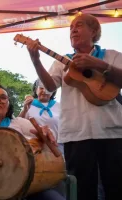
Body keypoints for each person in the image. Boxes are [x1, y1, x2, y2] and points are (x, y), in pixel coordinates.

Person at [26, 13, 122, 200]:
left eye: (78, 26)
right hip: (76, 135)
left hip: (112, 133)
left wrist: (98, 64)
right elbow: (50, 86)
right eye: (70, 28)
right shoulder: (62, 61)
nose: (73, 30)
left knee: (116, 187)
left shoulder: (112, 56)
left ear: (93, 31)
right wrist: (35, 59)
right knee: (81, 192)